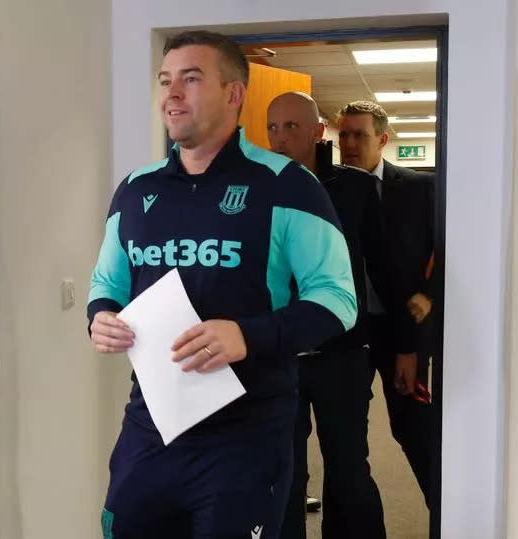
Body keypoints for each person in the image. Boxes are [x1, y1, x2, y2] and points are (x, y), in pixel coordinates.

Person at [87, 31, 357, 539]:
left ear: (234, 95)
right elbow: (107, 281)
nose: (172, 93)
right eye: (166, 81)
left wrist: (247, 336)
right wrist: (99, 316)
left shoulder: (287, 184)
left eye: (191, 79)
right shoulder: (134, 188)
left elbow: (338, 299)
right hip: (150, 427)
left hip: (246, 433)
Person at [267, 92, 387, 539]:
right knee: (285, 471)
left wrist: (402, 347)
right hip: (279, 353)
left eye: (292, 127)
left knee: (349, 469)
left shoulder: (355, 189)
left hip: (343, 353)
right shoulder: (258, 189)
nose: (279, 139)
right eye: (272, 128)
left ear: (318, 132)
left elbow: (379, 270)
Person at [337, 100, 436, 505]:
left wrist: (429, 296)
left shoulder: (420, 188)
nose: (348, 143)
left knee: (411, 428)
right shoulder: (328, 191)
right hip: (349, 332)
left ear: (382, 138)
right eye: (343, 134)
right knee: (345, 434)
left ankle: (442, 511)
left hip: (403, 328)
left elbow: (447, 252)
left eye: (359, 134)